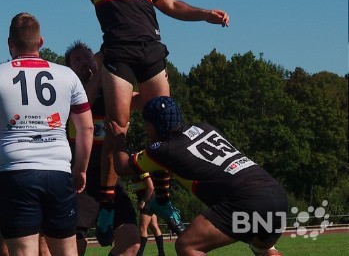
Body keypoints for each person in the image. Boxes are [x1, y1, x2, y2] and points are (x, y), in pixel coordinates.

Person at [40, 0, 230, 235]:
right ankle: (109, 204)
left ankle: (163, 197)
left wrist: (204, 14)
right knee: (118, 129)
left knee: (167, 130)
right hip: (118, 56)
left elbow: (171, 5)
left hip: (152, 52)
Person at [0, 13, 94, 256]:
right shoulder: (68, 75)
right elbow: (87, 128)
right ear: (41, 42)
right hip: (58, 169)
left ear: (10, 43)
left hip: (15, 172)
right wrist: (80, 169)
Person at [108, 96, 287, 256]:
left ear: (152, 125)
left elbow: (123, 167)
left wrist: (119, 137)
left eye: (146, 125)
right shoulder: (203, 127)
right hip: (276, 194)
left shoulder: (163, 150)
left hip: (246, 200)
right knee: (262, 249)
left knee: (187, 246)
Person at [64, 42, 139, 256]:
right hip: (79, 180)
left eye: (88, 57)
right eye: (78, 60)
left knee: (131, 242)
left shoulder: (110, 90)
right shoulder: (67, 93)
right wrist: (100, 68)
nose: (86, 62)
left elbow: (138, 99)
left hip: (110, 178)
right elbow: (84, 104)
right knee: (74, 247)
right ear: (69, 69)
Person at [132, 174, 166, 256]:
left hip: (148, 202)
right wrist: (139, 200)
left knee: (142, 228)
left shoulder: (142, 171)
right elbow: (140, 189)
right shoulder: (133, 174)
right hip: (150, 201)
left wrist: (143, 201)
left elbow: (151, 187)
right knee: (154, 226)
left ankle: (139, 254)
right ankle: (161, 253)